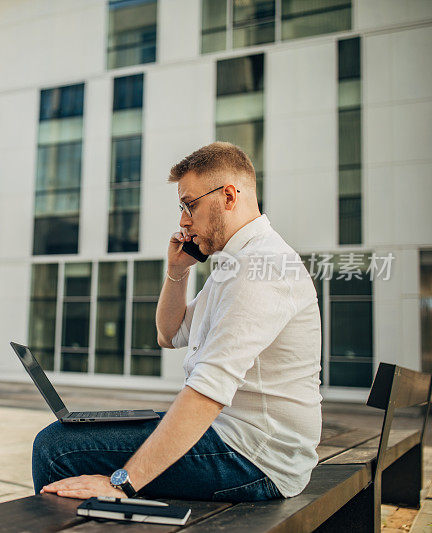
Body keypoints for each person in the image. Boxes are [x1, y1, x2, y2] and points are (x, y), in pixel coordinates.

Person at [32, 142, 322, 502]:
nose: (183, 220)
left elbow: (207, 391)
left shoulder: (260, 268)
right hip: (234, 437)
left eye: (190, 204)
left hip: (256, 458)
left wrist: (122, 483)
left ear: (229, 196)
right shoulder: (235, 264)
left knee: (56, 449)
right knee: (72, 433)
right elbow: (168, 334)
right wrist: (177, 271)